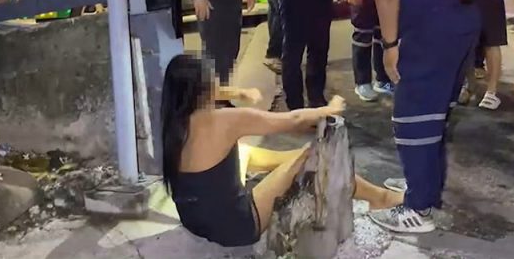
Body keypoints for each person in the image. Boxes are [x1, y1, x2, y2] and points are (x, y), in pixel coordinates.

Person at [317, 0, 481, 233]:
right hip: (457, 15)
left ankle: (418, 208)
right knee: (432, 114)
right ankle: (422, 183)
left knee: (411, 114)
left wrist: (390, 46)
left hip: (434, 23)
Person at [162, 54, 403, 247]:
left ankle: (286, 166)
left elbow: (207, 92)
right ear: (204, 89)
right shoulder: (225, 120)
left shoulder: (174, 124)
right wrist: (328, 109)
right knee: (313, 155)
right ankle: (380, 198)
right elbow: (293, 119)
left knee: (244, 151)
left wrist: (238, 93)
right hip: (238, 227)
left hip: (194, 221)